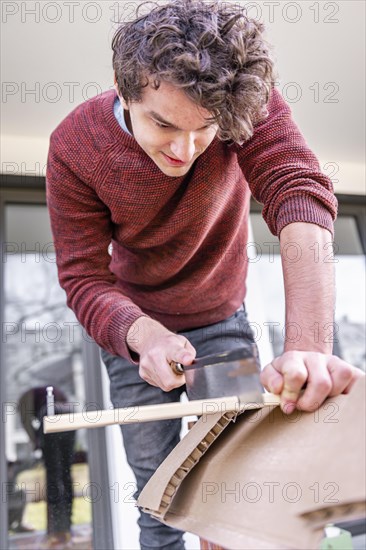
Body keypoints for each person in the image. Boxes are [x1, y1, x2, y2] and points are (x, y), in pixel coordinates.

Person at [46, 1, 363, 548]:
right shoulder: (75, 146)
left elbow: (298, 190)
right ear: (125, 90)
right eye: (162, 123)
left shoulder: (241, 102)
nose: (184, 149)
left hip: (221, 316)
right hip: (135, 332)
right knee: (160, 496)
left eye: (205, 130)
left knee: (230, 492)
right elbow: (83, 278)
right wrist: (142, 336)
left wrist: (310, 346)